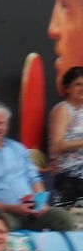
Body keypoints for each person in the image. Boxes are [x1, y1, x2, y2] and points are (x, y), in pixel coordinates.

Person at [0, 102, 74, 232]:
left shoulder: (18, 148)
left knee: (63, 218)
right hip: (3, 214)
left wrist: (41, 203)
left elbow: (34, 179)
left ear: (7, 125)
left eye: (0, 123)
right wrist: (13, 208)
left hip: (32, 210)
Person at [48, 66, 83, 208]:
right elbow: (57, 146)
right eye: (78, 84)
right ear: (67, 88)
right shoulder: (63, 110)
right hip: (70, 172)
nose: (82, 88)